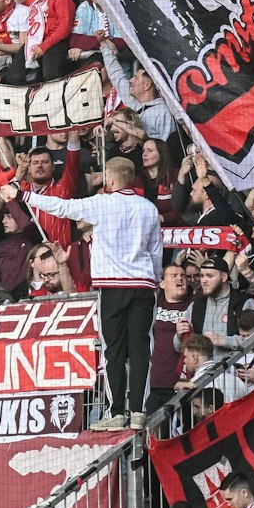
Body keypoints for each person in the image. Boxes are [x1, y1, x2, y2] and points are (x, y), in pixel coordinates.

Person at [22, 158, 164, 426]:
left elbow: (62, 207)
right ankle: (138, 411)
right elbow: (157, 250)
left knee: (113, 350)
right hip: (143, 285)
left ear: (109, 178)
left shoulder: (101, 203)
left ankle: (117, 413)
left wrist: (24, 194)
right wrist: (154, 279)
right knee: (141, 347)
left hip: (112, 286)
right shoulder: (149, 208)